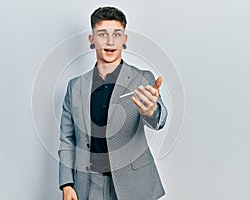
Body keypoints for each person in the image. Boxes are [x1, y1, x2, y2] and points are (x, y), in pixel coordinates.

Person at [58, 6, 168, 200]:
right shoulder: (74, 87)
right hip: (88, 184)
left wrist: (152, 111)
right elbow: (67, 139)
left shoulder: (142, 78)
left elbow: (158, 117)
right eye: (102, 34)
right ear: (92, 41)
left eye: (117, 34)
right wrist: (67, 184)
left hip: (132, 184)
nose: (110, 41)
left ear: (124, 40)